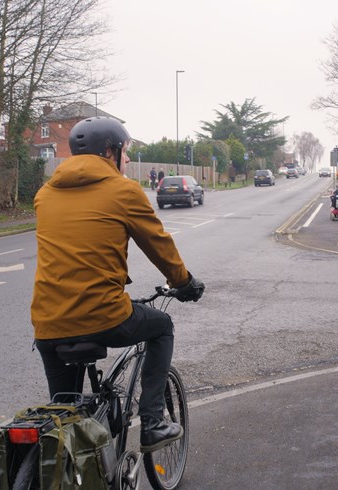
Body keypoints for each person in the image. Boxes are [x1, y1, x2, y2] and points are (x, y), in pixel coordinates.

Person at [30, 116, 205, 453]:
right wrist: (184, 283)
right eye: (125, 153)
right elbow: (159, 246)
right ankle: (153, 422)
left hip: (47, 324)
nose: (127, 160)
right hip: (103, 316)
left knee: (64, 421)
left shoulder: (45, 194)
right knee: (162, 326)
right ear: (110, 152)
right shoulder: (124, 191)